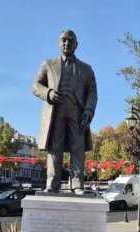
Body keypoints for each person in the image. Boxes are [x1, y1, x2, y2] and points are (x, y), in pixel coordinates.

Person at [32, 29, 98, 194]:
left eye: (71, 40)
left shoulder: (87, 69)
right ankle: (52, 184)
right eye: (63, 40)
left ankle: (77, 185)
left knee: (78, 148)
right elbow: (35, 85)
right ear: (58, 43)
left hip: (77, 111)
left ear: (76, 44)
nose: (67, 43)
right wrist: (48, 93)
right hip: (55, 112)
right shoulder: (48, 64)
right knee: (55, 148)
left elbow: (92, 92)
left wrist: (89, 109)